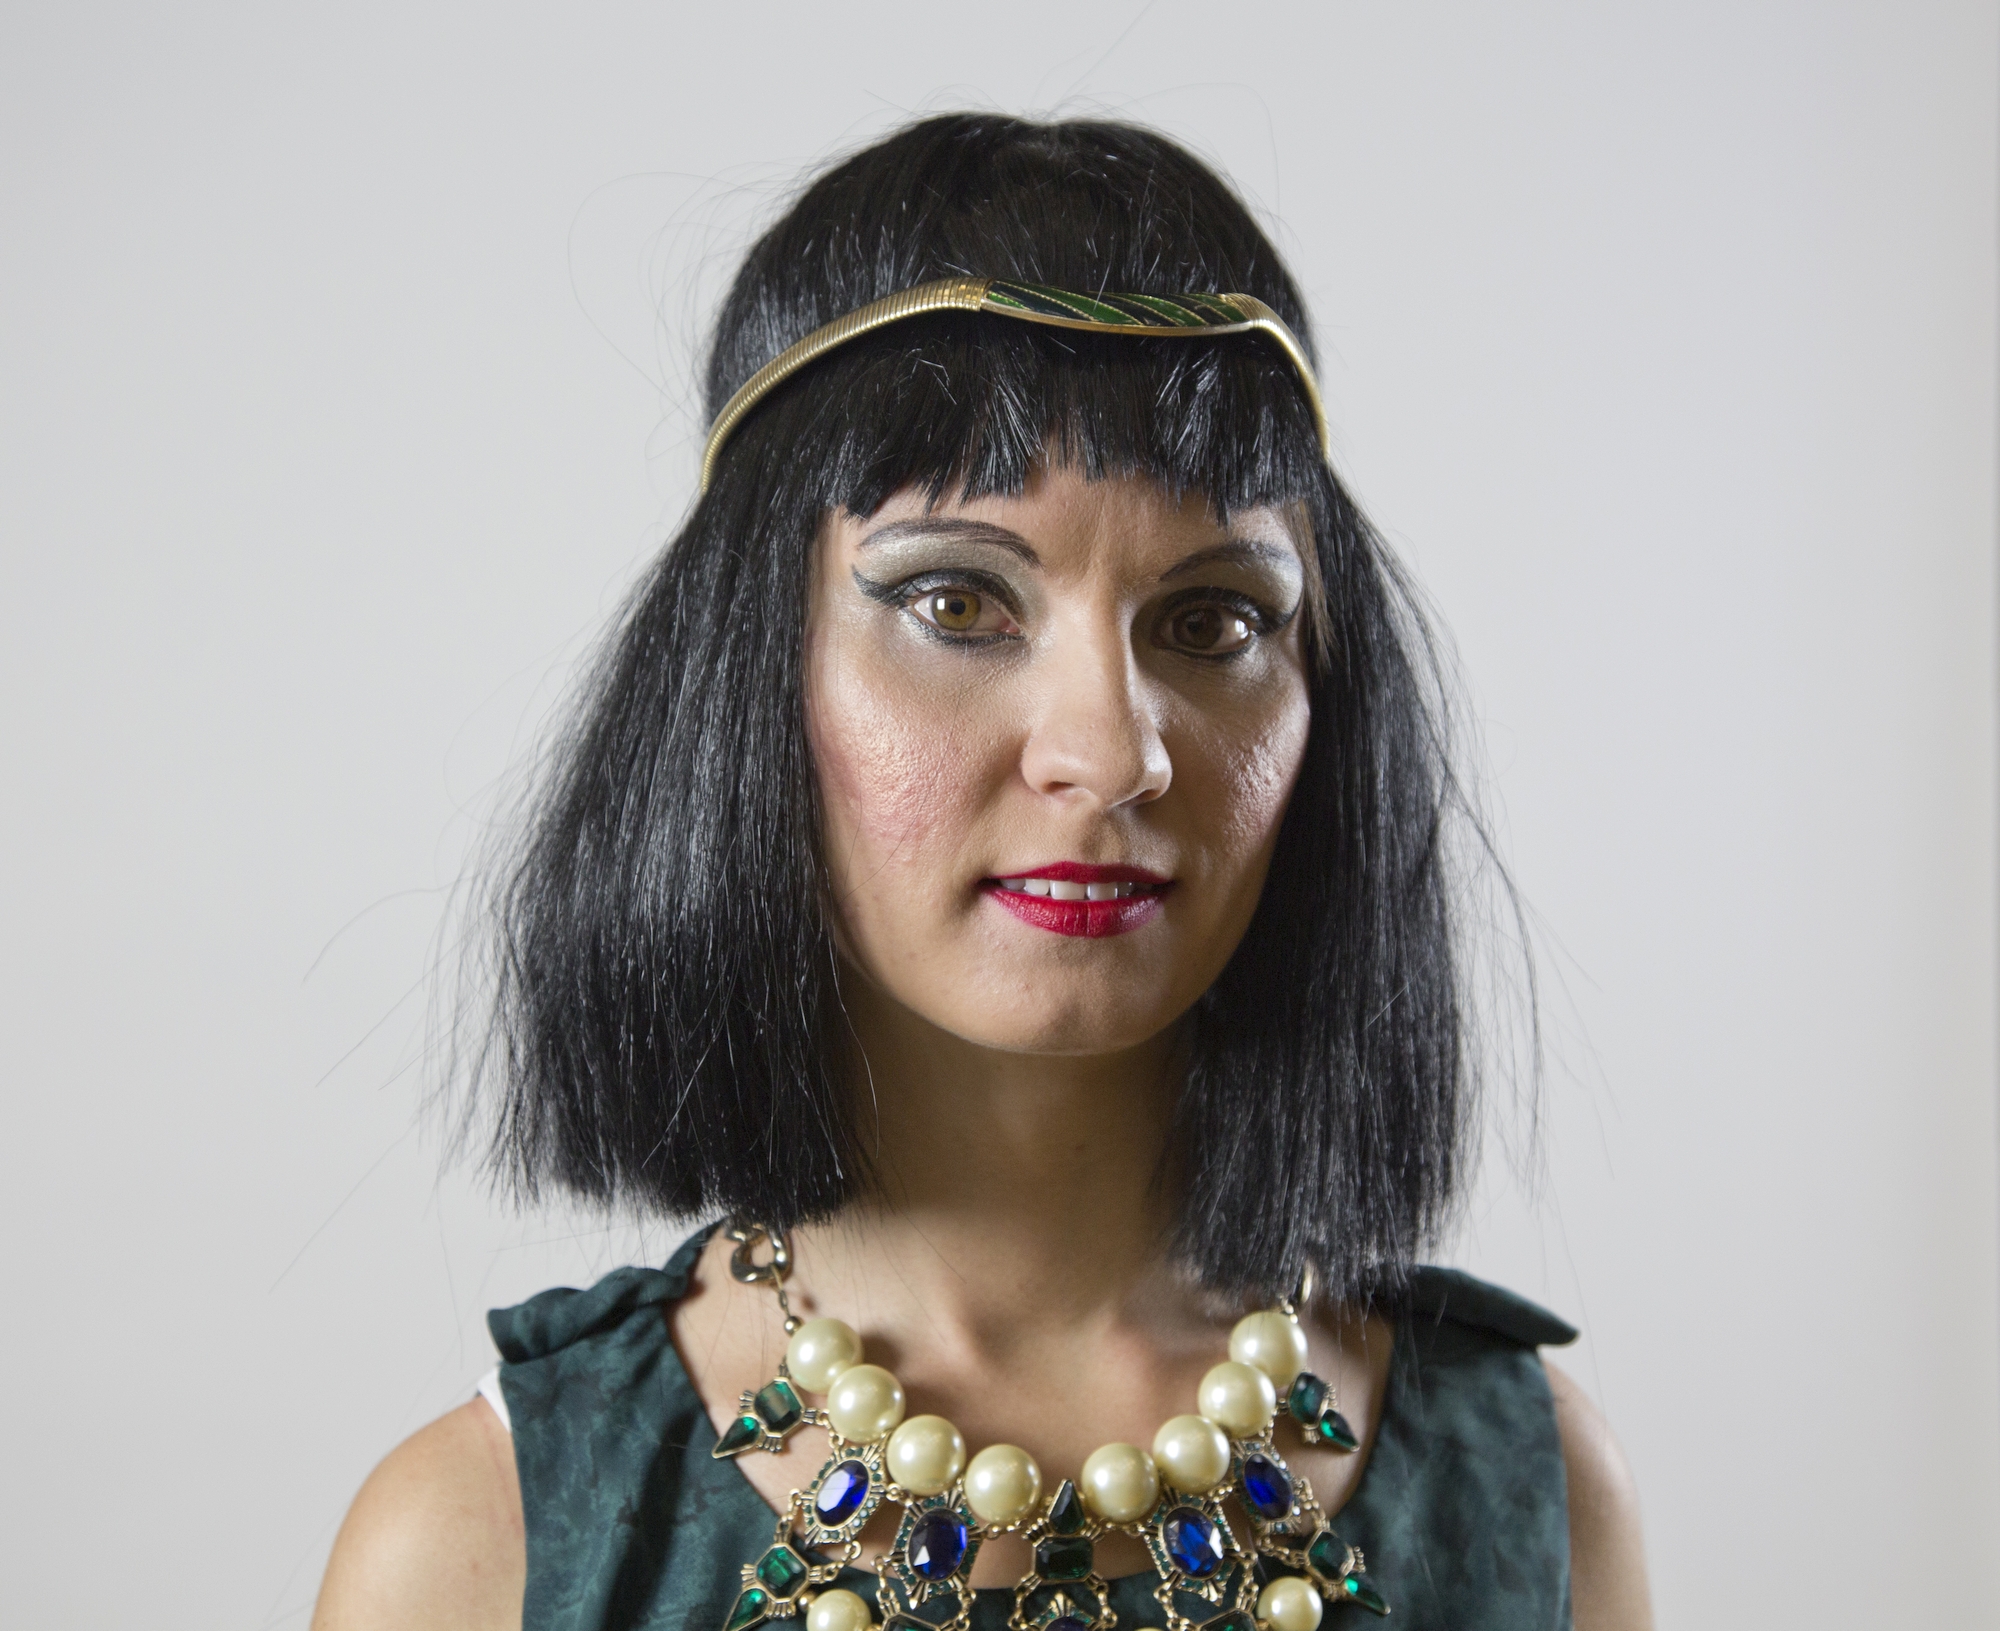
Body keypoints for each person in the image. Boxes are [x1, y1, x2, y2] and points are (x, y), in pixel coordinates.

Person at [311, 113, 1653, 1631]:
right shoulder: (480, 1546)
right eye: (957, 602)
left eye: (1212, 623)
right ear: (748, 676)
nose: (1110, 751)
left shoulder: (1534, 1493)